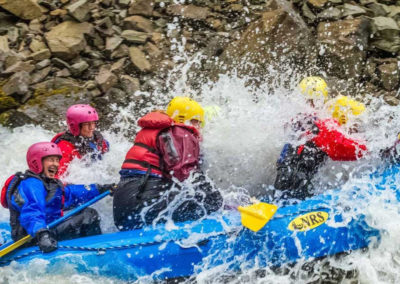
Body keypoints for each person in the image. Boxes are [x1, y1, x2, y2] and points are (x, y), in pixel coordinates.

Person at [113, 97, 223, 230]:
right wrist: (218, 200)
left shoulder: (158, 132)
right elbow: (187, 174)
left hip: (124, 209)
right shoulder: (181, 133)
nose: (199, 127)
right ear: (186, 120)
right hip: (143, 207)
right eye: (197, 122)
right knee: (208, 201)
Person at [0, 142, 113, 253]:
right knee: (89, 215)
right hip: (34, 237)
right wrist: (42, 234)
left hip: (46, 230)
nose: (56, 164)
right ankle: (95, 249)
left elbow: (71, 194)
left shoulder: (48, 183)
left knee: (83, 211)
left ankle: (85, 245)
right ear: (36, 162)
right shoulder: (32, 184)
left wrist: (100, 188)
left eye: (57, 160)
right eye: (51, 160)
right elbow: (31, 213)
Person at [274, 78, 368, 200]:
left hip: (284, 177)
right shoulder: (321, 125)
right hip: (297, 181)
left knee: (281, 198)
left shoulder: (297, 120)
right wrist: (381, 148)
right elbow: (348, 149)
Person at [51, 104, 109, 178]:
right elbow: (57, 179)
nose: (92, 128)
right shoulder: (64, 147)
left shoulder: (98, 139)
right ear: (75, 126)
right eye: (87, 124)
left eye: (94, 123)